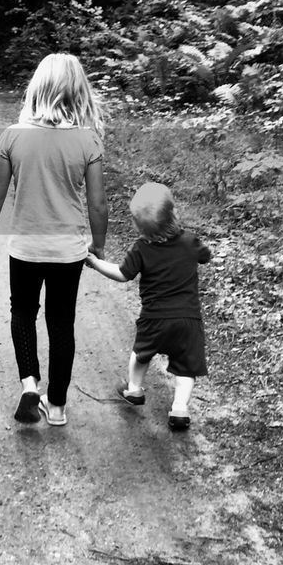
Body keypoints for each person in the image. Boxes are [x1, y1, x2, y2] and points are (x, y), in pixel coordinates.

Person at [0, 53, 107, 427]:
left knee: (22, 312)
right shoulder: (88, 140)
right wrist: (97, 245)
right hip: (68, 250)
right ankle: (57, 406)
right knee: (61, 322)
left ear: (37, 89)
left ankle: (29, 384)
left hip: (25, 248)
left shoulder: (14, 136)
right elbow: (97, 203)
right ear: (77, 92)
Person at [84, 181, 212, 431]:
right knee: (185, 368)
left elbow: (122, 274)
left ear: (138, 225)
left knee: (140, 355)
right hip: (188, 320)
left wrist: (95, 263)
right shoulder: (189, 241)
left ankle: (133, 389)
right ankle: (179, 409)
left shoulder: (141, 249)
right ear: (174, 213)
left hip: (154, 319)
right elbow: (206, 256)